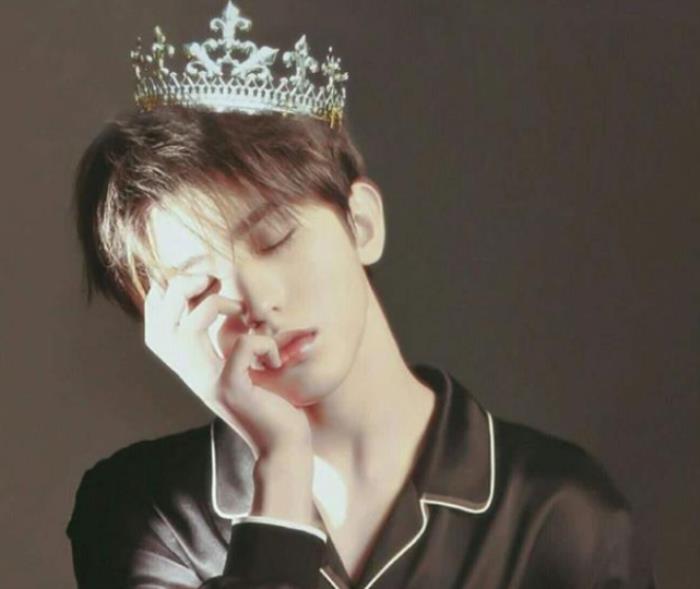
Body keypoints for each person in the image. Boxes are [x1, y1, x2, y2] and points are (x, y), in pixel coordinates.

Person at [66, 3, 655, 588]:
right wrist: (281, 469)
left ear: (362, 224)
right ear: (160, 321)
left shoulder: (557, 513)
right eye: (203, 285)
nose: (258, 301)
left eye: (277, 239)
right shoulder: (147, 514)